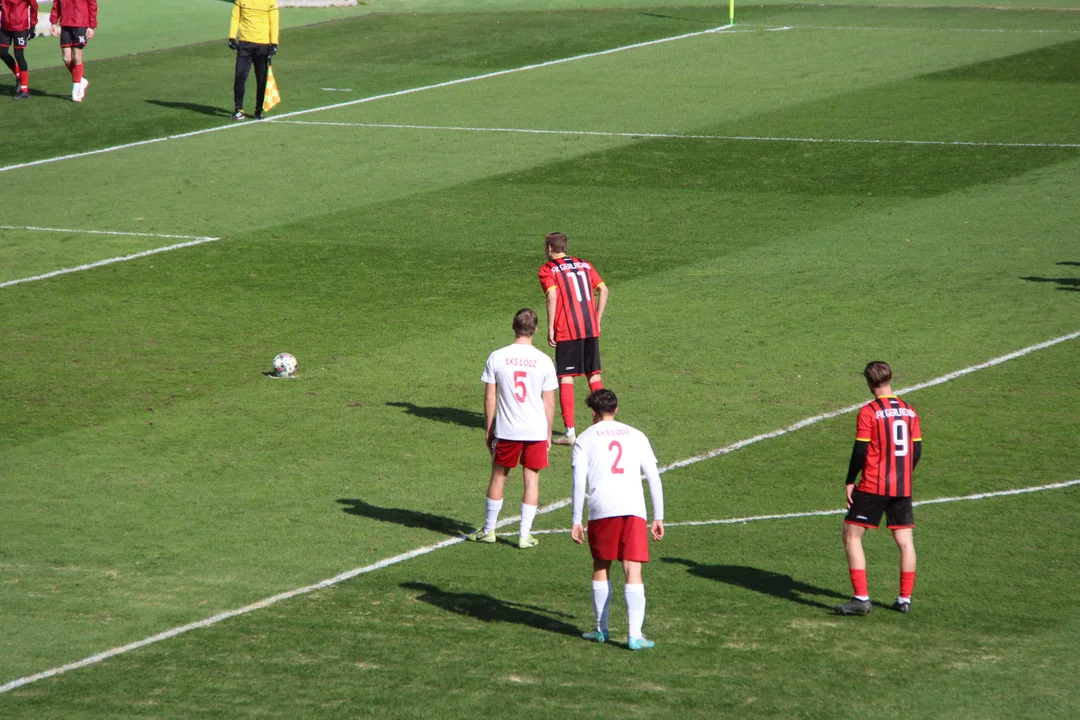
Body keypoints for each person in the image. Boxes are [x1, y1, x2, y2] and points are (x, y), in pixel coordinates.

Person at [571, 389, 664, 650]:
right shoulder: (636, 434)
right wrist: (659, 516)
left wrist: (576, 519)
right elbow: (653, 477)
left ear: (592, 412)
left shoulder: (585, 438)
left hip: (602, 509)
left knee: (601, 567)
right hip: (634, 509)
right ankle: (635, 635)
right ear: (616, 409)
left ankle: (601, 630)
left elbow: (578, 483)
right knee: (633, 569)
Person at [835, 361, 922, 616]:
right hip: (902, 486)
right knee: (905, 543)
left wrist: (850, 480)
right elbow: (916, 451)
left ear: (868, 382)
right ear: (890, 378)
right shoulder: (910, 411)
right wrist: (903, 474)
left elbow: (860, 451)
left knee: (851, 536)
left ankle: (861, 598)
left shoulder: (869, 412)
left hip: (873, 485)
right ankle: (904, 599)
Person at [467, 308, 557, 549]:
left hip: (507, 431)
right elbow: (549, 402)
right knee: (532, 481)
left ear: (513, 326)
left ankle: (488, 530)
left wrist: (488, 429)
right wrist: (548, 432)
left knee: (498, 477)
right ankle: (524, 536)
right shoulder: (544, 360)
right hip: (536, 431)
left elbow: (489, 399)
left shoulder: (497, 357)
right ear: (536, 329)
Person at [537, 232, 609, 446]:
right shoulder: (584, 264)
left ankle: (570, 432)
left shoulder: (547, 269)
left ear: (550, 248)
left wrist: (550, 327)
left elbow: (552, 295)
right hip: (589, 328)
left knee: (566, 378)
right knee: (593, 375)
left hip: (567, 329)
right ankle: (605, 424)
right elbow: (603, 289)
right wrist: (596, 319)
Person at [228, 0, 279, 121]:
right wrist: (231, 37)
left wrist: (274, 43)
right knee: (240, 77)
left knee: (261, 80)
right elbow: (235, 17)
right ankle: (238, 110)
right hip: (245, 45)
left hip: (263, 46)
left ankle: (258, 111)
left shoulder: (270, 1)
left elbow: (274, 21)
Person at [48, 0, 95, 102]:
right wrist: (53, 22)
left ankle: (76, 89)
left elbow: (92, 4)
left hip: (80, 23)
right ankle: (80, 80)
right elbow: (56, 4)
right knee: (66, 58)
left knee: (77, 57)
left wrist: (92, 26)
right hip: (65, 24)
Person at [0, 0, 37, 99]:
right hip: (5, 26)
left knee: (19, 55)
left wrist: (32, 26)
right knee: (2, 52)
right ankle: (19, 75)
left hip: (20, 26)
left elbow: (34, 6)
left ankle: (24, 90)